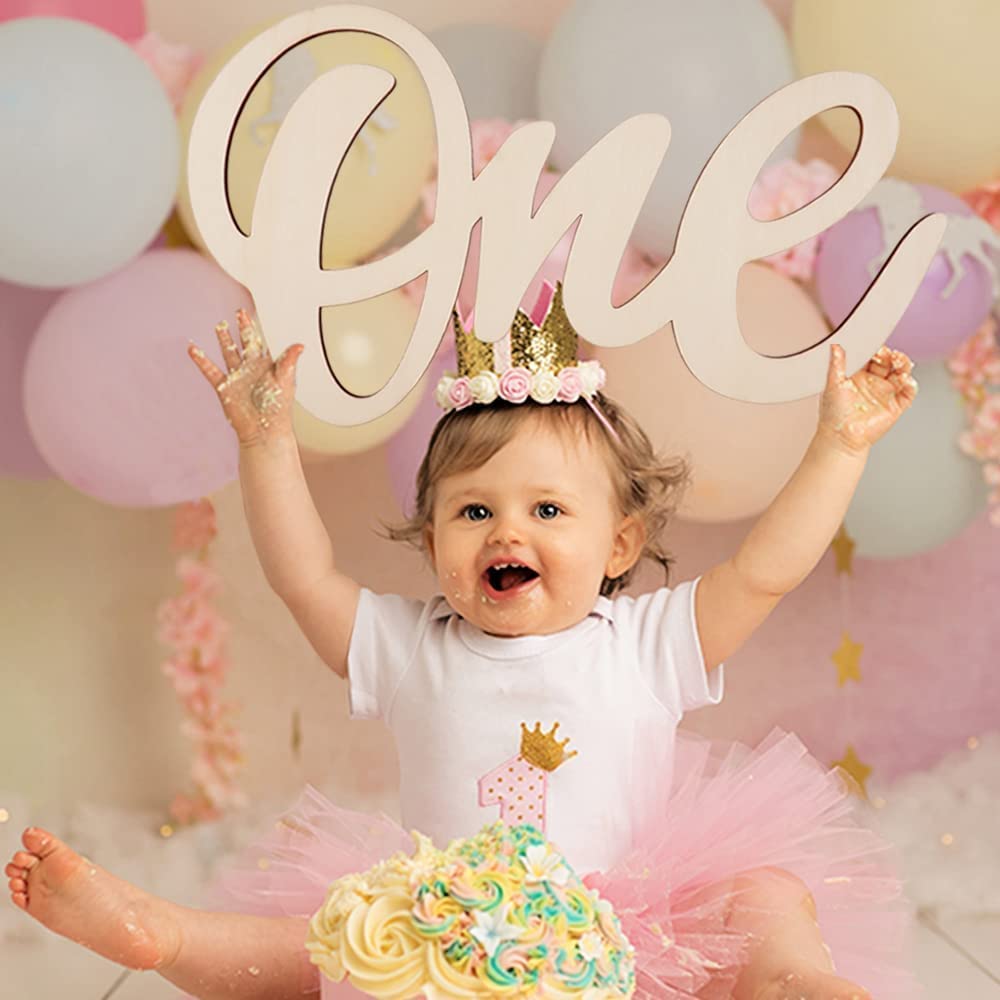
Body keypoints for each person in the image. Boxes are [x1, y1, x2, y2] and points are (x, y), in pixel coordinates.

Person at [7, 283, 919, 1000]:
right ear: (433, 536)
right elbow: (303, 576)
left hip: (633, 944)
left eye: (548, 510)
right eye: (473, 510)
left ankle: (784, 981)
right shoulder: (412, 647)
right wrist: (267, 444)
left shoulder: (643, 642)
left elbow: (763, 569)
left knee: (767, 892)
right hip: (438, 945)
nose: (506, 533)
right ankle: (164, 935)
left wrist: (839, 446)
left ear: (620, 544)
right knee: (314, 944)